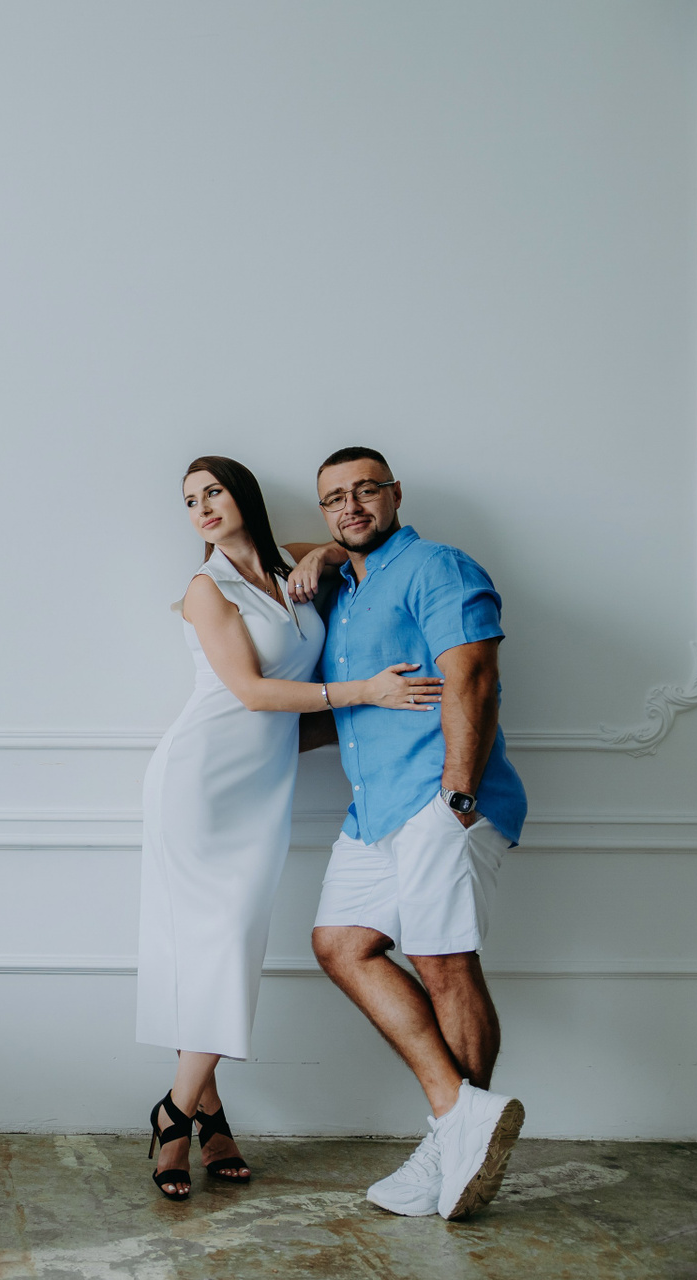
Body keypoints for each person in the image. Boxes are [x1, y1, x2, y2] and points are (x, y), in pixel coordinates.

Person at [138, 455, 444, 1202]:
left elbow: (343, 547)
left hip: (263, 786)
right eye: (190, 501)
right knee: (218, 944)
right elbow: (250, 691)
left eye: (213, 492)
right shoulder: (206, 588)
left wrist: (322, 558)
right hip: (200, 783)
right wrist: (366, 693)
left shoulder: (288, 563)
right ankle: (176, 1111)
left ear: (244, 495)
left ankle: (204, 1114)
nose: (202, 508)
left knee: (221, 944)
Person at [286, 447, 529, 1221]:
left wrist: (458, 794)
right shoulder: (346, 589)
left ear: (396, 494)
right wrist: (323, 554)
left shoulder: (437, 566)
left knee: (443, 961)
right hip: (373, 812)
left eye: (366, 491)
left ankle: (453, 1142)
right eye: (334, 499)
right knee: (340, 943)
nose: (351, 506)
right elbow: (269, 548)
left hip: (438, 798)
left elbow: (474, 676)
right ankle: (460, 1121)